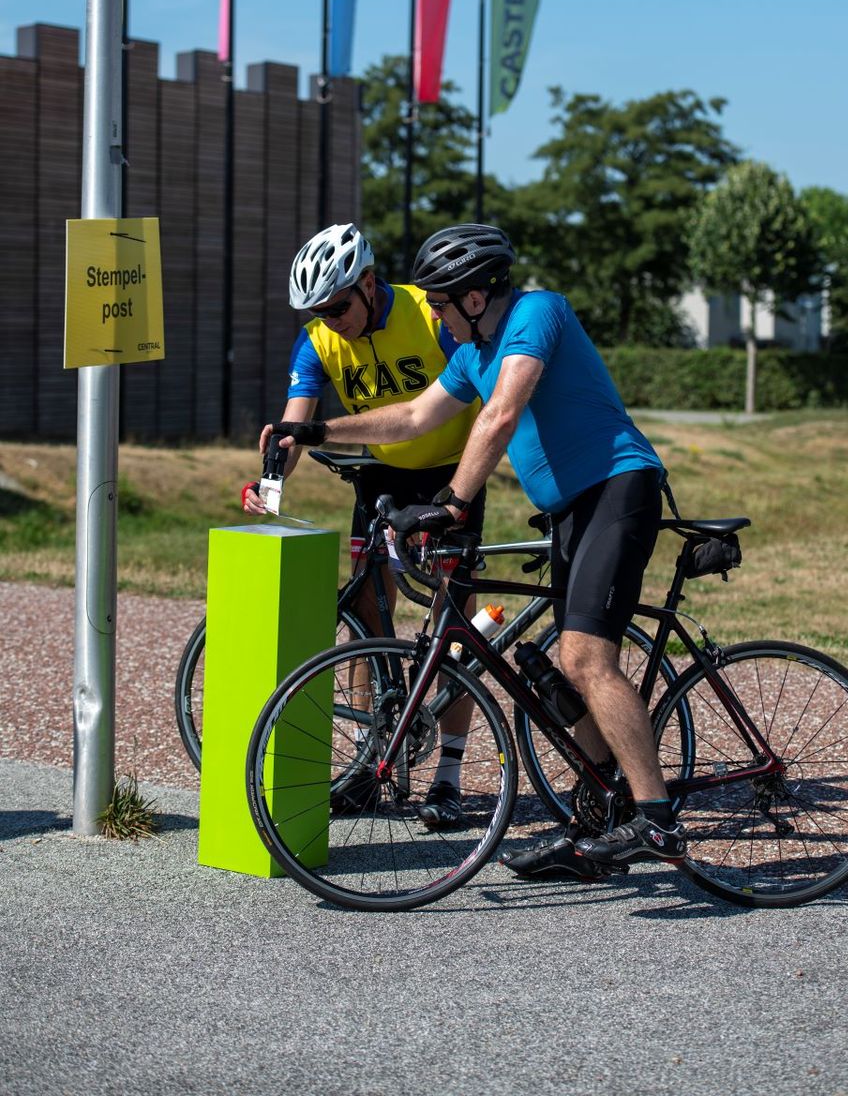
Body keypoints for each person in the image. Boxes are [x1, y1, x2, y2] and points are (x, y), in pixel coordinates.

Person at [265, 222, 686, 881]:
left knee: (585, 659)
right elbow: (409, 418)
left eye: (437, 300)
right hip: (570, 509)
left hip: (617, 488)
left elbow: (501, 416)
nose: (429, 311)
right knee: (556, 668)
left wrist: (455, 501)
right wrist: (316, 426)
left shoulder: (535, 313)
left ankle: (656, 820)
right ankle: (594, 819)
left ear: (472, 296)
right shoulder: (469, 354)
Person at [243, 221, 484, 830]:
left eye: (339, 306)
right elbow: (296, 428)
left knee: (451, 618)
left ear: (369, 284)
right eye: (318, 311)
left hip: (451, 475)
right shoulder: (316, 341)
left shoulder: (430, 316)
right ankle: (370, 765)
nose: (332, 319)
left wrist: (465, 490)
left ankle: (448, 778)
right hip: (382, 477)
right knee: (367, 615)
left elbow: (484, 395)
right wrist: (270, 484)